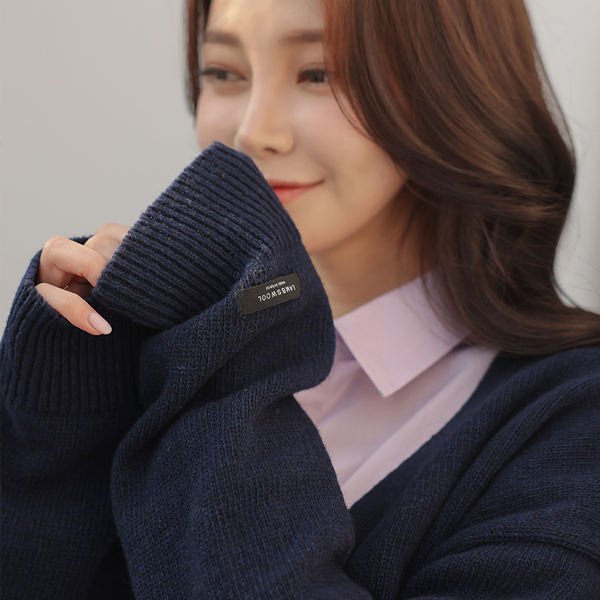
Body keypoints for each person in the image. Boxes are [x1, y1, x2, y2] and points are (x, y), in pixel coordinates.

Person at [2, 0, 599, 597]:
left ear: (452, 87)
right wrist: (62, 408)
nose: (252, 133)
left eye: (319, 73)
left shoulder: (574, 422)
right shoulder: (165, 346)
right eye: (224, 72)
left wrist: (218, 363)